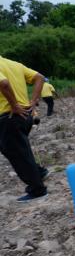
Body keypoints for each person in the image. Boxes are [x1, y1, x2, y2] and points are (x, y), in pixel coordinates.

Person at [0, 55, 48, 202]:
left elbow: (4, 83)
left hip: (10, 116)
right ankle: (39, 172)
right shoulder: (13, 64)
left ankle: (37, 189)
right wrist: (33, 101)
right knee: (18, 149)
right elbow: (40, 77)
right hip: (25, 115)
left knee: (16, 152)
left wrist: (14, 105)